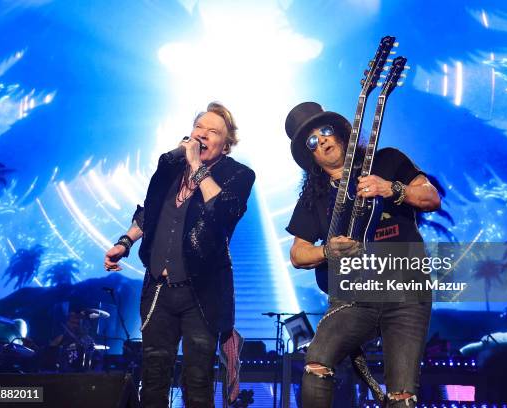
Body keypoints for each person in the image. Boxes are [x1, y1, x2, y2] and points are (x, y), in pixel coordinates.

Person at [284, 102, 440, 407]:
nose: (323, 140)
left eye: (326, 131)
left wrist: (392, 189)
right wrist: (328, 250)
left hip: (406, 289)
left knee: (402, 393)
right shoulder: (313, 197)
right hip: (354, 297)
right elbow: (298, 254)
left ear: (342, 133)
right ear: (311, 155)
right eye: (313, 141)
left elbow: (431, 197)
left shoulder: (387, 160)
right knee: (316, 363)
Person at [104, 102, 255, 408]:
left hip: (201, 293)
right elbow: (150, 212)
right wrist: (125, 242)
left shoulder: (238, 175)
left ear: (225, 145)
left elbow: (224, 212)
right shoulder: (171, 169)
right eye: (199, 127)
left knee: (197, 380)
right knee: (154, 376)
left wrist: (197, 167)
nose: (203, 134)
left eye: (213, 132)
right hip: (159, 290)